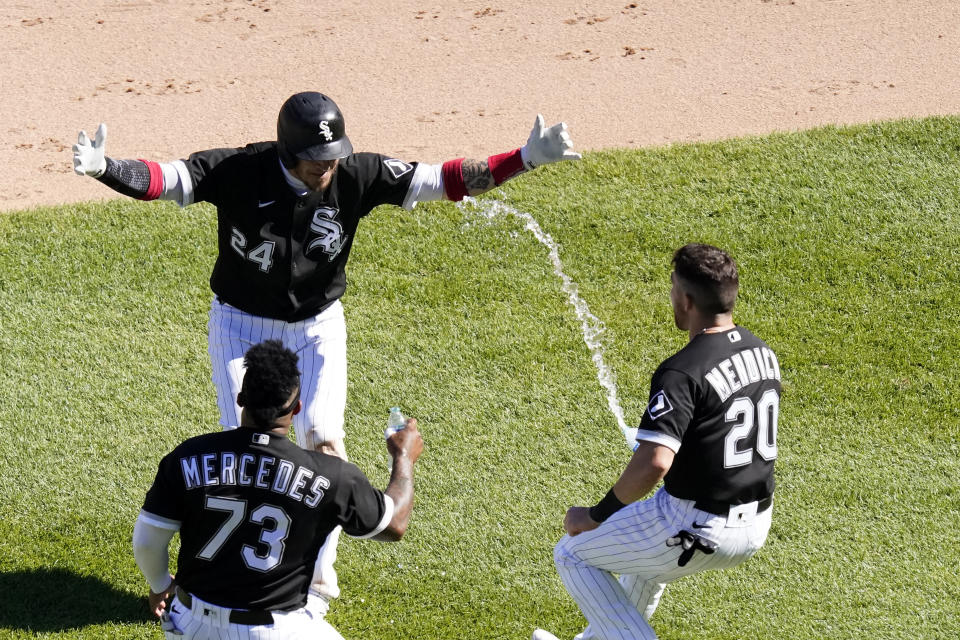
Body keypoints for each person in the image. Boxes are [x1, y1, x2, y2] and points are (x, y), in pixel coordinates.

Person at [73, 92, 579, 600]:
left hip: (317, 325)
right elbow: (165, 181)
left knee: (325, 439)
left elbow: (442, 180)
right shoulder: (238, 169)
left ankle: (314, 575)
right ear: (287, 153)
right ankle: (243, 566)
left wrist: (526, 158)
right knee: (247, 443)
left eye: (334, 155)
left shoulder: (356, 173)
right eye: (318, 160)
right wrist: (104, 169)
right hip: (240, 325)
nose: (328, 168)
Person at [533, 243, 781, 640]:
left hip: (697, 525)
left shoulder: (681, 371)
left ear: (685, 300)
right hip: (755, 524)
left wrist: (597, 515)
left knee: (572, 553)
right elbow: (718, 435)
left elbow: (655, 463)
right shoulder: (762, 352)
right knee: (645, 564)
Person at [132, 339, 424, 639]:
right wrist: (403, 458)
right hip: (272, 631)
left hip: (190, 624)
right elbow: (394, 524)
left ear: (241, 398)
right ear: (296, 407)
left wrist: (159, 586)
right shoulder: (332, 475)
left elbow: (146, 543)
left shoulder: (187, 457)